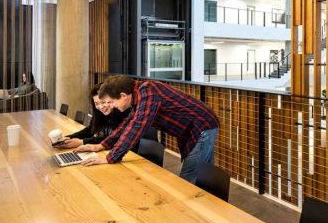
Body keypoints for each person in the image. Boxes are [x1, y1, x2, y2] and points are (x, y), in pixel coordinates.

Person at [74, 75, 219, 184]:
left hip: (202, 126)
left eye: (111, 102)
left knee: (189, 177)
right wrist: (102, 145)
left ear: (123, 96)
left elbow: (137, 127)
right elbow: (128, 124)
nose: (111, 106)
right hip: (190, 130)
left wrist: (110, 157)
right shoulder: (139, 96)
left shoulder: (149, 92)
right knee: (202, 173)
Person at [54, 83, 130, 149]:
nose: (101, 107)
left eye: (103, 102)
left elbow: (113, 139)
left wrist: (82, 142)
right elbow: (91, 129)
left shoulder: (123, 114)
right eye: (96, 104)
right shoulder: (100, 113)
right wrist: (70, 137)